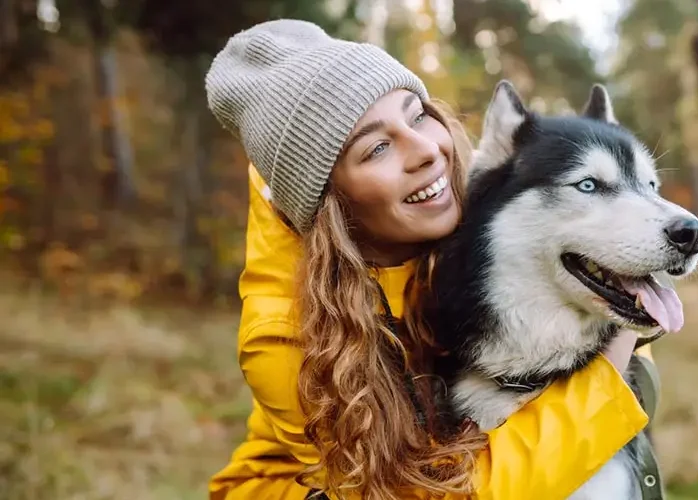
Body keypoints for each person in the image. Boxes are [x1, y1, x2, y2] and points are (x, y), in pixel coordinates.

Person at [203, 19, 664, 500]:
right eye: (377, 147)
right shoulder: (284, 336)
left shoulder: (465, 208)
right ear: (329, 201)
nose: (426, 150)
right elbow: (426, 495)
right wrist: (609, 372)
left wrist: (625, 304)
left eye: (418, 115)